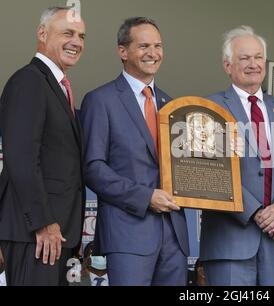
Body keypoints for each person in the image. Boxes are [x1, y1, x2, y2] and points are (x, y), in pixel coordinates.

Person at [199, 26, 274, 286]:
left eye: (258, 57)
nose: (253, 64)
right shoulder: (209, 109)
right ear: (227, 65)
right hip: (230, 243)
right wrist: (257, 213)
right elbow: (211, 174)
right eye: (244, 58)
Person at [80, 17, 189, 286]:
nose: (153, 53)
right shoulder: (100, 100)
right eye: (143, 46)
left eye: (158, 45)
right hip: (128, 234)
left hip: (174, 235)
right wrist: (145, 196)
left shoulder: (174, 105)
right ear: (122, 51)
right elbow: (93, 168)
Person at [0, 6, 86, 286]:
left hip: (57, 235)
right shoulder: (29, 81)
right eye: (68, 33)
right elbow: (21, 158)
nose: (77, 42)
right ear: (42, 33)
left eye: (82, 36)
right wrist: (42, 222)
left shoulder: (56, 86)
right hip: (36, 234)